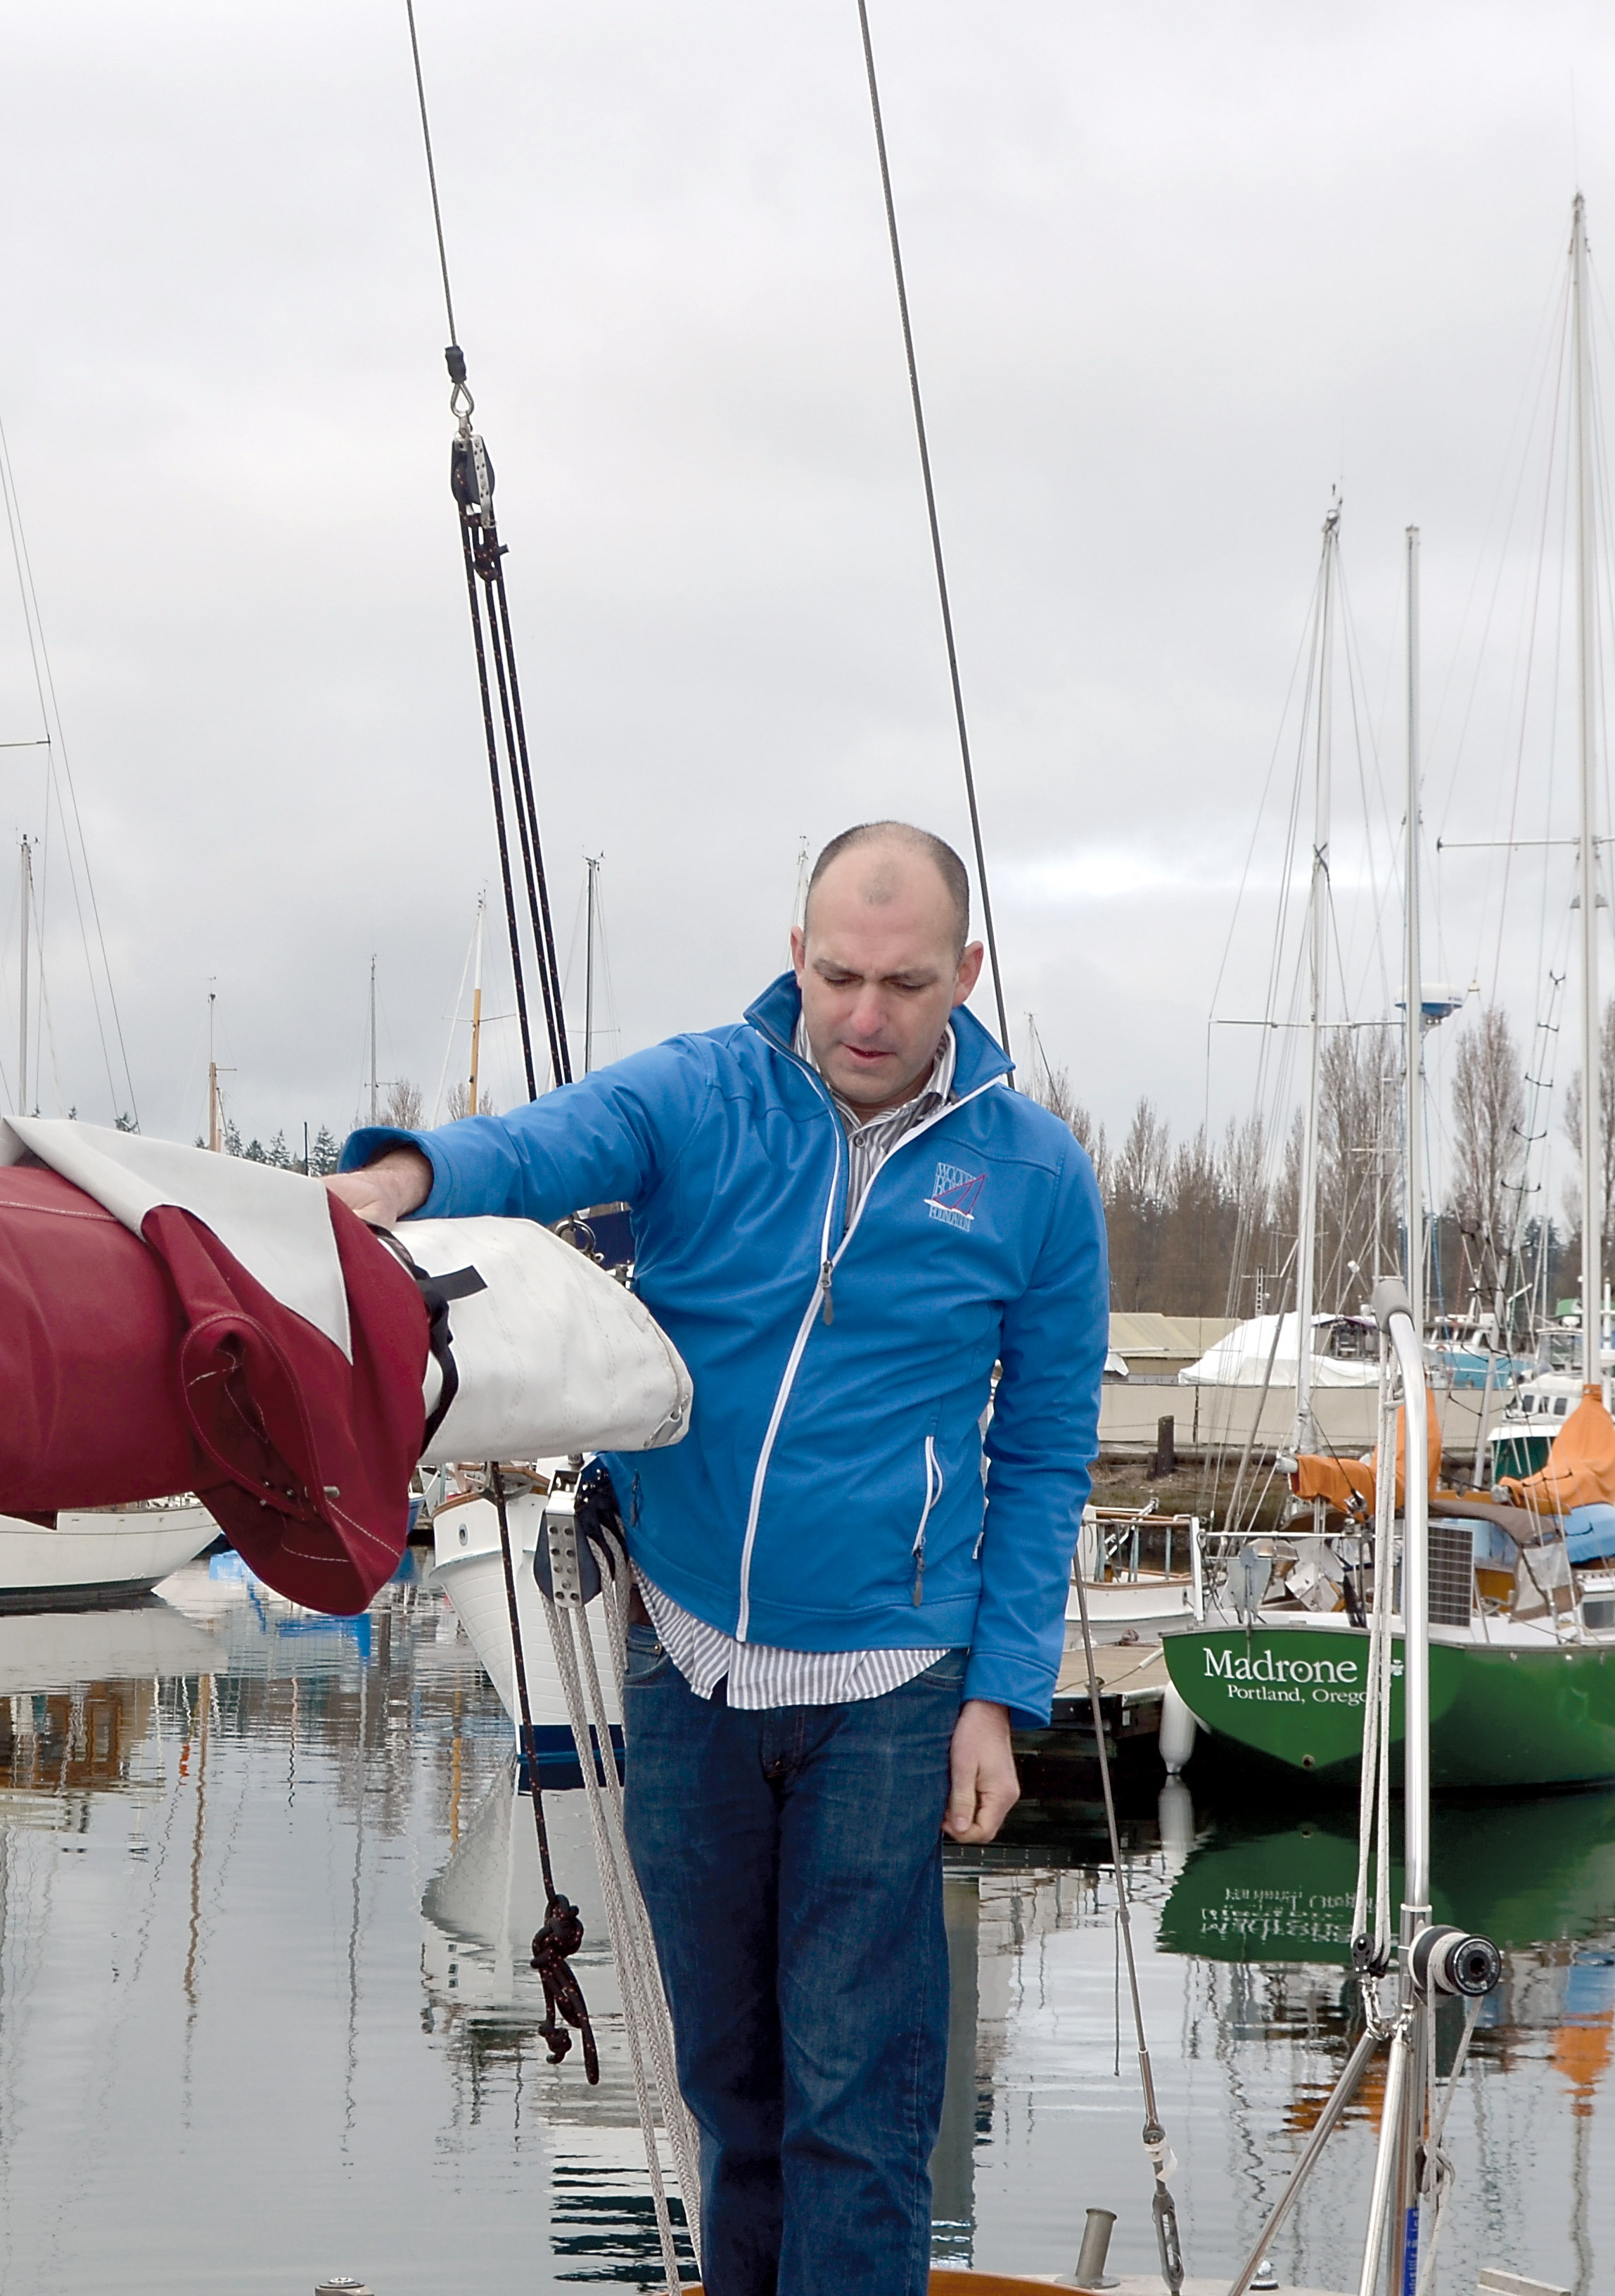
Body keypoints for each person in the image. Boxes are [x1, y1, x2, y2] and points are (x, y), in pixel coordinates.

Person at [331, 821, 1106, 2295]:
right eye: (836, 977)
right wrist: (402, 1180)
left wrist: (999, 1692)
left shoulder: (1033, 1176)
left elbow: (1048, 1445)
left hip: (892, 1677)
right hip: (685, 1660)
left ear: (968, 974)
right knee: (729, 2092)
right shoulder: (706, 1093)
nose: (865, 1017)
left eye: (904, 982)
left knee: (854, 2107)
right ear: (794, 955)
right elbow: (546, 1145)